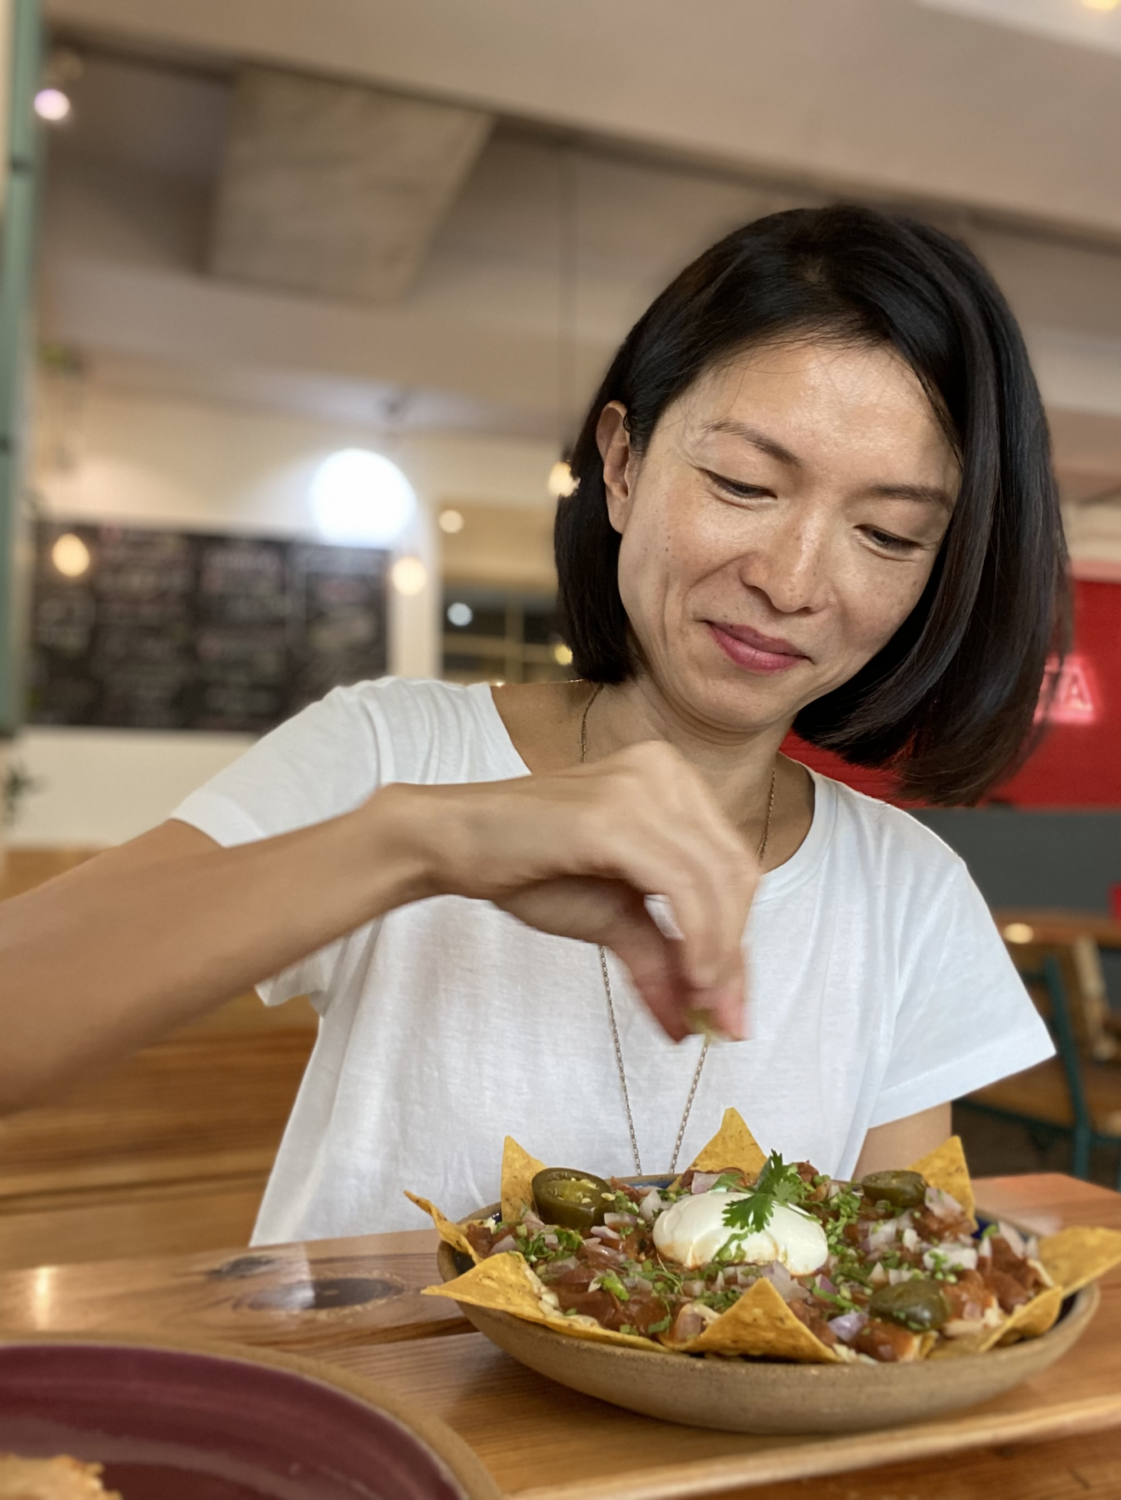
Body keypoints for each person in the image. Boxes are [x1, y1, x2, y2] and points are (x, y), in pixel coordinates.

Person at [2, 206, 1065, 1240]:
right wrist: (419, 840)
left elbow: (894, 1292)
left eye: (884, 534)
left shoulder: (905, 897)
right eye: (742, 483)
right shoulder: (394, 752)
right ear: (620, 463)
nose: (791, 582)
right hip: (365, 1416)